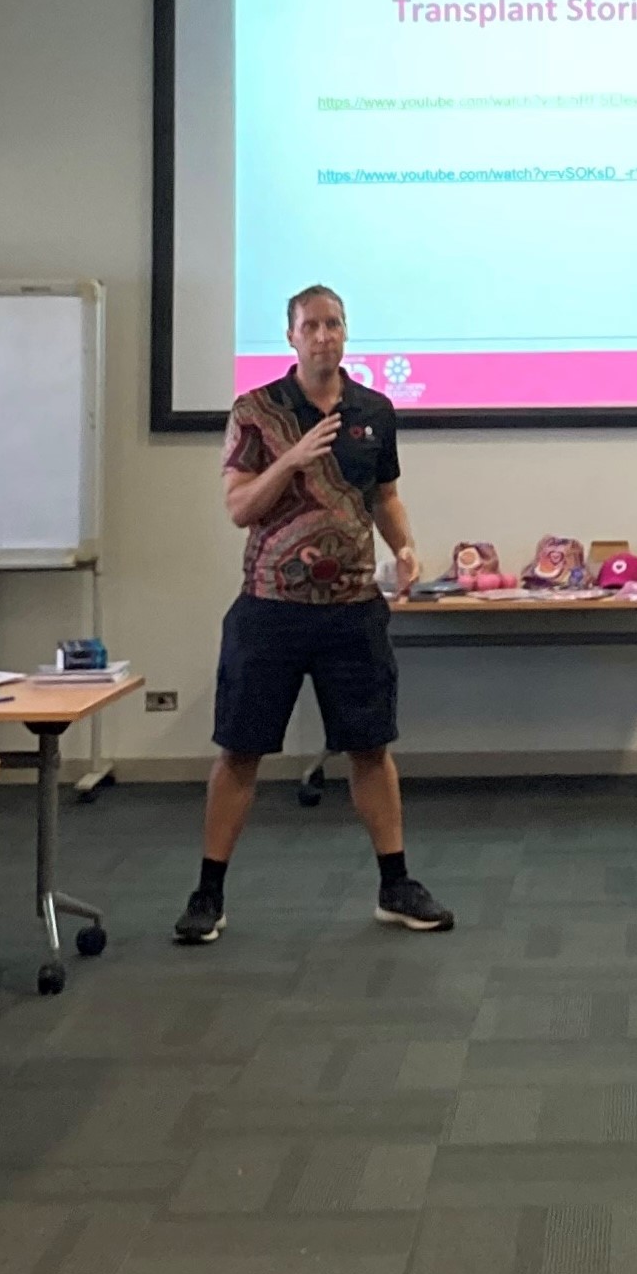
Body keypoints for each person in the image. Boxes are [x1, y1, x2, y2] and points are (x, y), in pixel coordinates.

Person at [186, 283, 450, 944]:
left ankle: (396, 883)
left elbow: (384, 495)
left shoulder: (374, 410)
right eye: (312, 325)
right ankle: (207, 894)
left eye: (334, 324)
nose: (324, 335)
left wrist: (406, 548)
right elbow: (240, 508)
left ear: (345, 332)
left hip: (352, 610)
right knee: (240, 752)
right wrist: (292, 460)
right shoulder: (257, 411)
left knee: (370, 748)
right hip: (269, 609)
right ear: (290, 336)